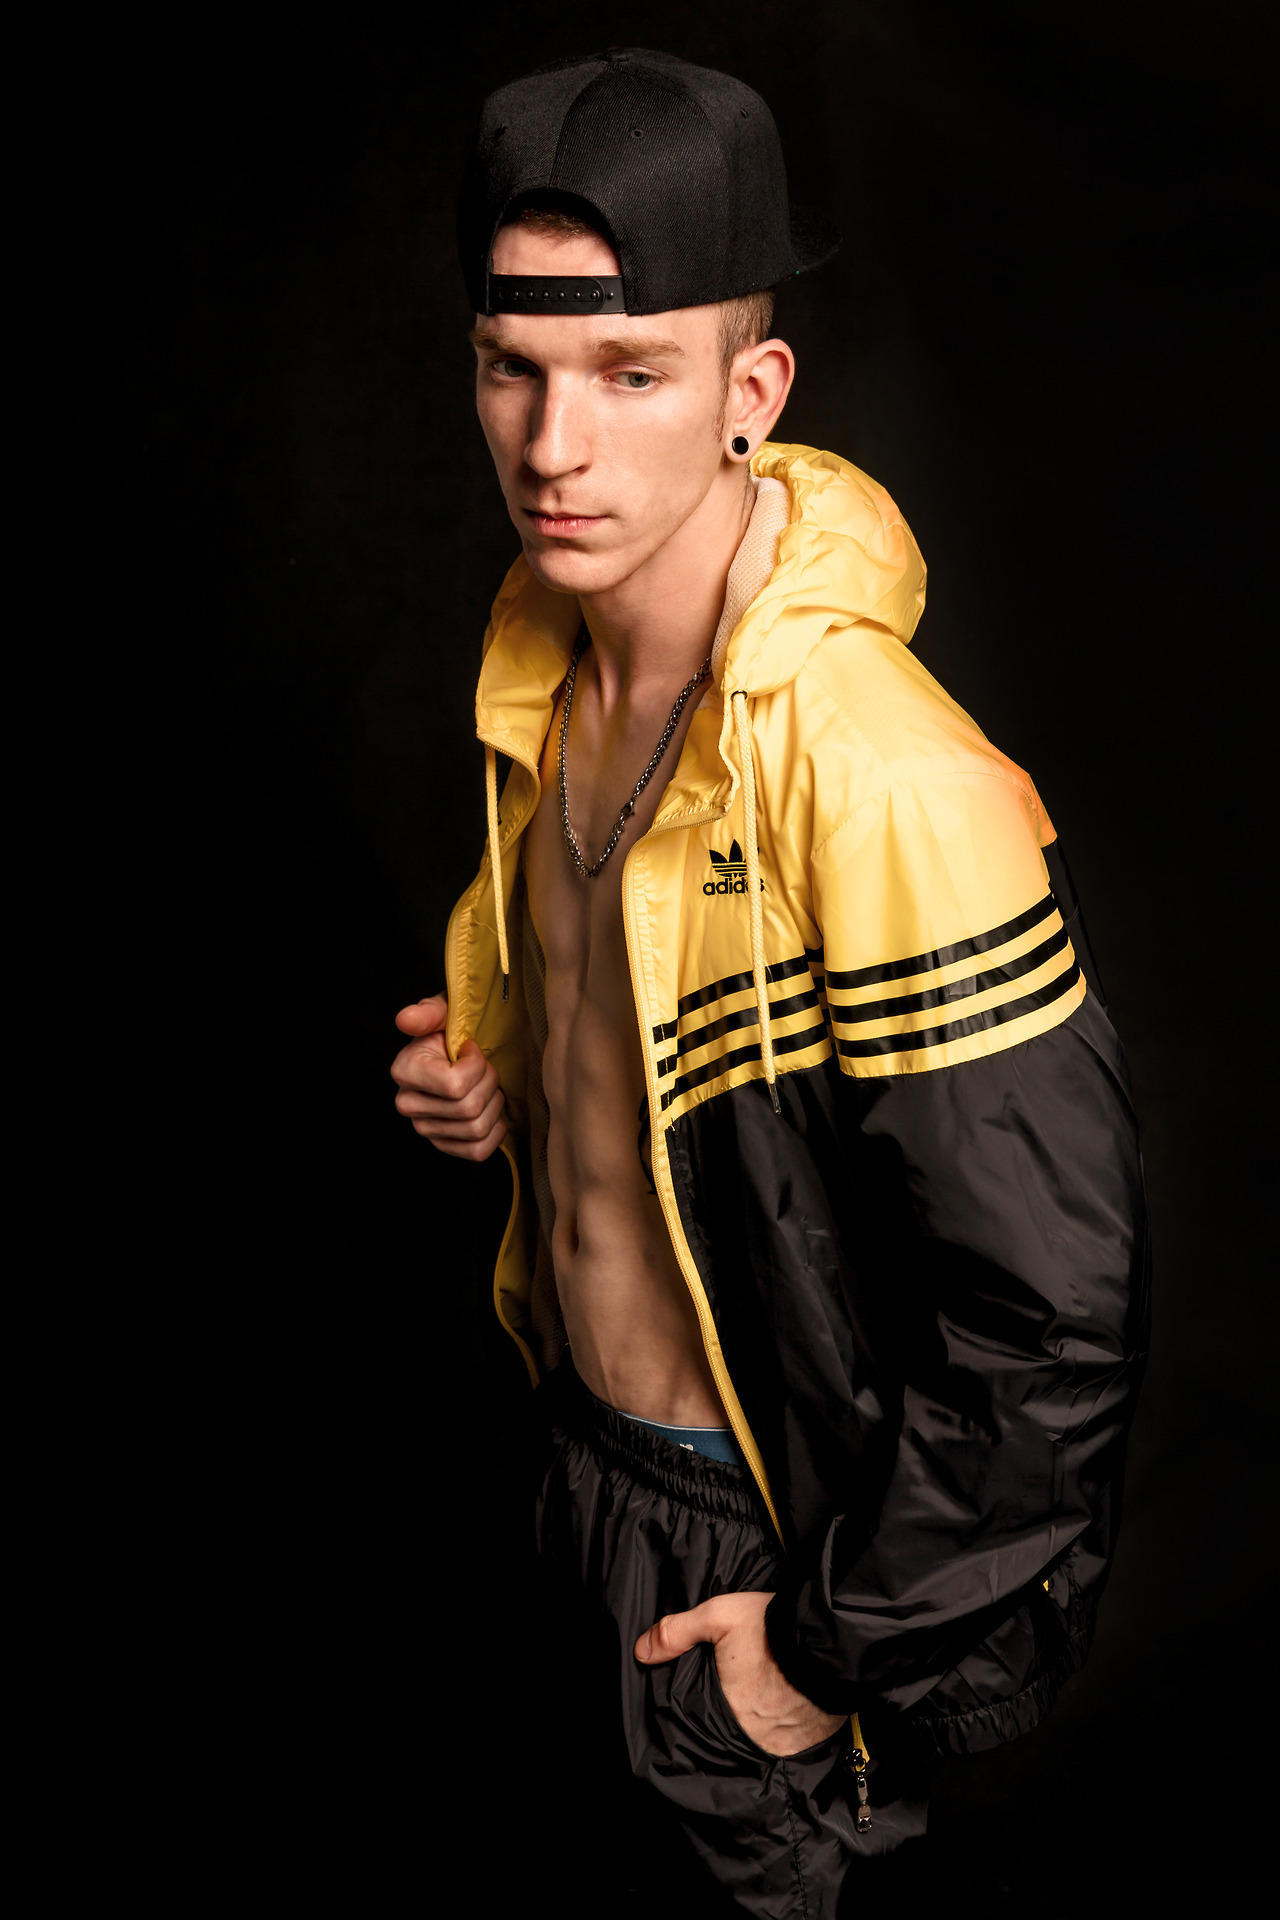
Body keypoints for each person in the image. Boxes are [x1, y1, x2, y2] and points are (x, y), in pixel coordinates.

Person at [391, 48, 1148, 1919]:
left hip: (767, 1548)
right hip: (569, 1474)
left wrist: (823, 1648)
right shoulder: (541, 676)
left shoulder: (876, 767)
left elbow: (1055, 1320)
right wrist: (495, 1077)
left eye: (630, 374)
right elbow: (658, 1074)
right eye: (511, 367)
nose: (553, 447)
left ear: (752, 393)